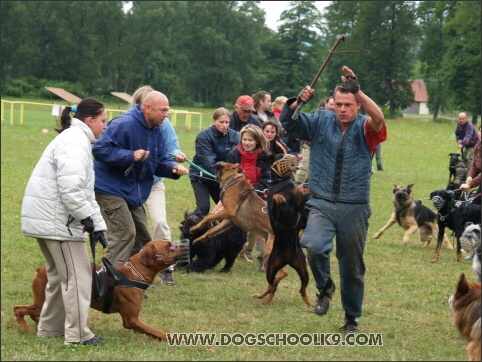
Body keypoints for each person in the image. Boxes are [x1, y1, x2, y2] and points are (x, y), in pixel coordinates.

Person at [280, 66, 387, 334]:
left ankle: (351, 318)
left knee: (351, 266)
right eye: (338, 104)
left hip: (355, 207)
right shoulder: (319, 121)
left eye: (348, 104)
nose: (342, 109)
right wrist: (298, 101)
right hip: (322, 202)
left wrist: (358, 90)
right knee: (314, 246)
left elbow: (379, 117)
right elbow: (290, 123)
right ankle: (325, 287)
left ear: (356, 104)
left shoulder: (365, 127)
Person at [21, 98, 108, 346]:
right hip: (57, 223)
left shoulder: (76, 140)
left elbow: (85, 191)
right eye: (103, 121)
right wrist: (87, 220)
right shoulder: (74, 142)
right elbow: (71, 191)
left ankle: (50, 328)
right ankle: (78, 335)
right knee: (79, 278)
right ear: (90, 121)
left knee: (61, 277)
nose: (106, 126)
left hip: (51, 219)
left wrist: (98, 225)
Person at [93, 91, 189, 268]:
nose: (166, 115)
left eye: (167, 111)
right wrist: (130, 155)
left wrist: (172, 169)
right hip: (111, 189)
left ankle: (132, 283)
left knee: (142, 238)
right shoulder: (124, 124)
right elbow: (100, 150)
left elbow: (159, 160)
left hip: (132, 192)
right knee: (125, 233)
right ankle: (111, 284)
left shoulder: (157, 130)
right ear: (147, 108)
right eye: (163, 110)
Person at [131, 86, 187, 286]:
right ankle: (134, 269)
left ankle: (167, 268)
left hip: (153, 183)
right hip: (132, 184)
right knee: (134, 230)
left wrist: (176, 157)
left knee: (160, 222)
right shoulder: (129, 124)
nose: (163, 113)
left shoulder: (163, 124)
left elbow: (171, 149)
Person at [227, 124, 271, 270]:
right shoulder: (234, 154)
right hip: (236, 195)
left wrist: (251, 190)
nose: (246, 143)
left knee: (261, 227)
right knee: (216, 216)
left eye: (250, 140)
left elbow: (266, 181)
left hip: (258, 196)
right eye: (244, 139)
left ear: (257, 141)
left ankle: (262, 258)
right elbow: (228, 176)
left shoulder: (265, 157)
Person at [190, 107, 240, 215]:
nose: (224, 125)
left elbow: (235, 158)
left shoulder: (235, 136)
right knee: (203, 208)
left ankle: (222, 231)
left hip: (220, 178)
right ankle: (191, 228)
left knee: (227, 207)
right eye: (221, 122)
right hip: (201, 176)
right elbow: (208, 162)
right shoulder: (203, 136)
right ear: (214, 122)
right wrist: (225, 176)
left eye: (227, 122)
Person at [295, 96, 336, 184]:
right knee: (304, 169)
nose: (332, 107)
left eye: (335, 105)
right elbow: (306, 130)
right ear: (326, 104)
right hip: (309, 146)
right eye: (331, 104)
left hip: (325, 148)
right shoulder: (316, 114)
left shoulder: (336, 118)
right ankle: (298, 188)